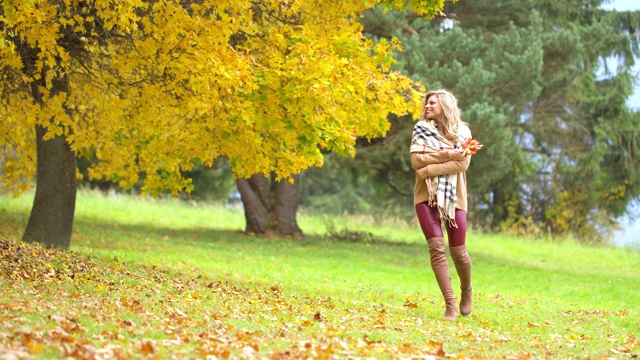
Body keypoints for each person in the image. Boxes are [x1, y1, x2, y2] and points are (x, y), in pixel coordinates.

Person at [409, 89, 475, 321]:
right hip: (425, 195)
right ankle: (450, 305)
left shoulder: (463, 132)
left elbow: (463, 164)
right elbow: (416, 160)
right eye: (426, 103)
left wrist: (431, 169)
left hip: (454, 196)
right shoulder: (421, 130)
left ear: (445, 105)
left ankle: (467, 290)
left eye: (432, 103)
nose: (427, 106)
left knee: (458, 252)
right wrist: (448, 155)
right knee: (437, 248)